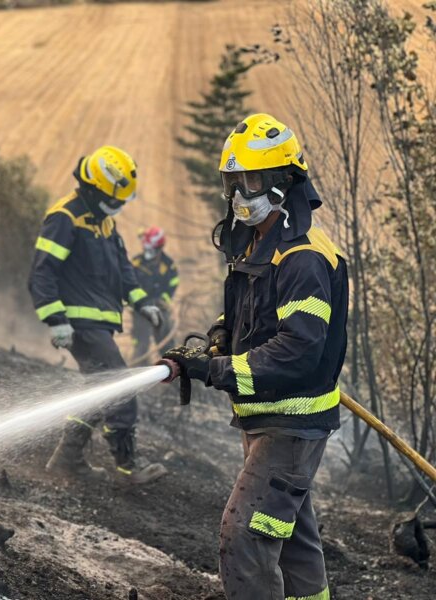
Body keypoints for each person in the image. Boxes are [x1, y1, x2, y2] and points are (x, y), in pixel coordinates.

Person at [161, 114, 347, 600]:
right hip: (268, 419)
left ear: (284, 182)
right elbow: (252, 318)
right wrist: (217, 341)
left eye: (249, 181)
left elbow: (299, 349)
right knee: (291, 544)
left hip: (290, 425)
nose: (239, 193)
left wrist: (216, 371)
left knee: (243, 538)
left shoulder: (304, 257)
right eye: (233, 181)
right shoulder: (261, 242)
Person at [28, 145, 168, 486]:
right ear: (92, 187)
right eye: (113, 200)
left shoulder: (104, 222)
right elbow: (41, 273)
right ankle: (127, 466)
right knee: (120, 385)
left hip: (99, 322)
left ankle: (67, 459)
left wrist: (141, 301)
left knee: (98, 389)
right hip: (80, 324)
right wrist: (56, 319)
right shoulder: (66, 218)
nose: (117, 207)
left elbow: (122, 268)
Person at [130, 226, 179, 365]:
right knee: (141, 346)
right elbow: (129, 285)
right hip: (141, 311)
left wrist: (163, 300)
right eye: (146, 249)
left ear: (159, 248)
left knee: (167, 345)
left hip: (160, 310)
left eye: (151, 250)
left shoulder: (168, 265)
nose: (148, 253)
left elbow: (172, 285)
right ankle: (139, 379)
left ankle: (173, 377)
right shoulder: (136, 263)